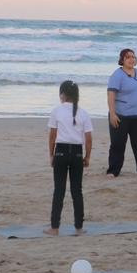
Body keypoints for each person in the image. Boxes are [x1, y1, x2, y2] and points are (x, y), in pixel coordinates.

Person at [46, 80, 93, 235]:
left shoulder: (57, 111)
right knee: (76, 191)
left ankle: (54, 228)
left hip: (61, 151)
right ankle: (79, 228)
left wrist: (51, 154)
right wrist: (87, 157)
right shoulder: (84, 113)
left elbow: (52, 136)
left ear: (62, 95)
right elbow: (88, 138)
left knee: (59, 190)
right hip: (77, 152)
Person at [105, 48, 137, 177]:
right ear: (122, 60)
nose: (131, 59)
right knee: (117, 145)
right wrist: (112, 113)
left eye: (133, 57)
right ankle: (113, 170)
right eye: (128, 57)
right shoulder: (117, 75)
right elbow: (111, 94)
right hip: (120, 116)